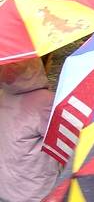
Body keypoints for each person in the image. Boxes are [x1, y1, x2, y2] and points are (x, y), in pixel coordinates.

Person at [0, 58, 60, 201]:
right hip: (35, 193)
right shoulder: (46, 102)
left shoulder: (4, 97)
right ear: (35, 66)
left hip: (6, 188)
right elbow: (65, 144)